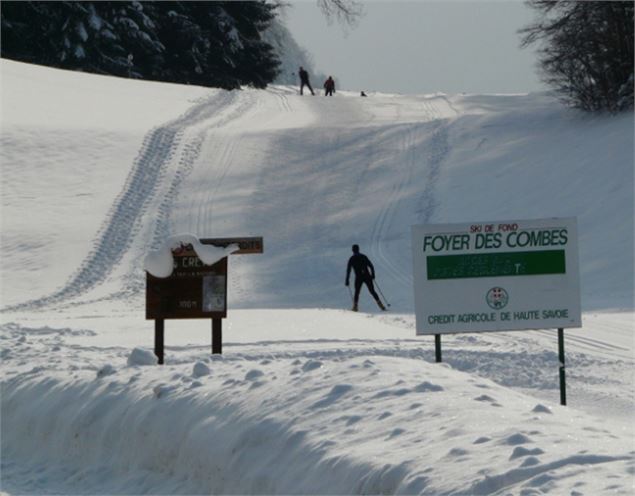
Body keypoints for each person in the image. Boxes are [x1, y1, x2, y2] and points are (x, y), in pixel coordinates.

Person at [345, 244, 386, 312]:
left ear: (352, 250)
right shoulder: (363, 256)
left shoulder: (351, 259)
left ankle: (355, 307)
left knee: (357, 292)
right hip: (367, 276)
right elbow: (371, 265)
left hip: (359, 278)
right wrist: (373, 274)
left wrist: (347, 280)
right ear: (358, 249)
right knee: (372, 291)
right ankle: (381, 305)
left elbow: (348, 270)